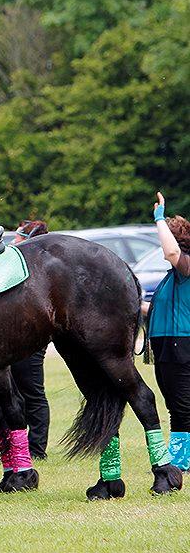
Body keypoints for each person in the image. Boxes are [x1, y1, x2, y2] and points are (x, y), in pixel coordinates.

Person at [146, 192, 190, 472]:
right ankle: (180, 459)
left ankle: (181, 461)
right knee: (176, 405)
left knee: (183, 406)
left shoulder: (185, 264)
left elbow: (170, 252)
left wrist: (159, 218)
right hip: (165, 345)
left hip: (182, 344)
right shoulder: (170, 277)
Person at [9, 220, 51, 458]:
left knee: (32, 391)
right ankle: (20, 445)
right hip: (15, 334)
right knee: (15, 390)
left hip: (31, 338)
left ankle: (37, 448)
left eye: (19, 237)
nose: (14, 242)